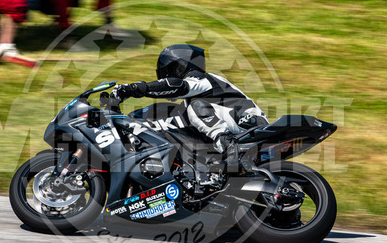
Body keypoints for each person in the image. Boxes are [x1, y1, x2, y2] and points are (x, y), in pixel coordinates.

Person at [111, 44, 269, 169]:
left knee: (196, 107)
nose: (165, 77)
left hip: (250, 125)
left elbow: (178, 86)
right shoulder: (197, 100)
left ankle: (230, 148)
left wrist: (135, 88)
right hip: (236, 128)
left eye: (168, 71)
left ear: (180, 67)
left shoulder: (204, 80)